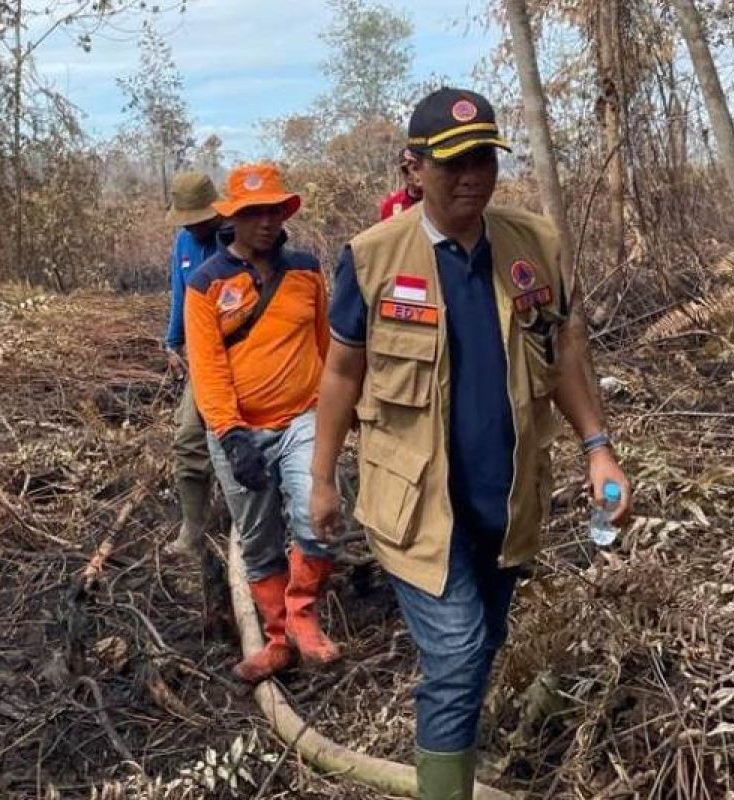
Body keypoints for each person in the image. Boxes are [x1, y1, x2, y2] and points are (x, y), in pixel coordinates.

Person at [309, 87, 633, 799]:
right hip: (416, 507)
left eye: (483, 159)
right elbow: (340, 370)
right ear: (413, 168)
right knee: (457, 655)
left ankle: (452, 752)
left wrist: (598, 446)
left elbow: (565, 354)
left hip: (508, 501)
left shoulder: (533, 245)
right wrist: (323, 475)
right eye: (453, 163)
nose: (472, 178)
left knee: (481, 644)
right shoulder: (372, 259)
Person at [184, 162, 341, 682]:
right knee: (257, 537)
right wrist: (230, 435)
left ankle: (302, 615)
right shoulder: (207, 283)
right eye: (254, 213)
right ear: (235, 218)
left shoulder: (305, 270)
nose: (267, 223)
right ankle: (277, 640)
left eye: (273, 211)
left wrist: (340, 410)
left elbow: (327, 345)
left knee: (316, 519)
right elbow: (206, 368)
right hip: (239, 426)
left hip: (303, 417)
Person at [163, 172, 223, 558]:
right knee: (188, 441)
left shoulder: (236, 237)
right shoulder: (184, 241)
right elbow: (180, 294)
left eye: (198, 217)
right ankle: (193, 529)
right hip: (201, 360)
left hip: (240, 356)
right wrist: (172, 341)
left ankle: (246, 528)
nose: (192, 225)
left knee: (237, 444)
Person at [379, 147, 423, 220]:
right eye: (405, 171)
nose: (409, 175)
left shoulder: (437, 201)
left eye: (416, 168)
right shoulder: (390, 206)